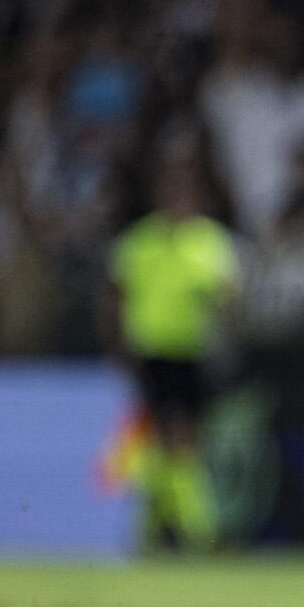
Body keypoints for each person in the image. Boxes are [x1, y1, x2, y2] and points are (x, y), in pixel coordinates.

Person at [104, 155, 239, 549]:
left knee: (176, 439)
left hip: (192, 352)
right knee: (166, 438)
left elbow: (228, 296)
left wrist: (226, 334)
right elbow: (113, 294)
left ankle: (162, 528)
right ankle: (194, 529)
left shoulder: (209, 241)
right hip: (150, 352)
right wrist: (116, 344)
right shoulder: (139, 242)